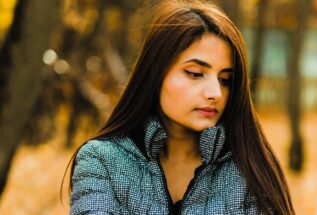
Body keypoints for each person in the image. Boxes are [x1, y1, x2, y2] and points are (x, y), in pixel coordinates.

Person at [67, 0, 295, 214]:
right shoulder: (101, 161)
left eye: (225, 80)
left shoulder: (250, 170)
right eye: (195, 74)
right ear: (156, 75)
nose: (215, 93)